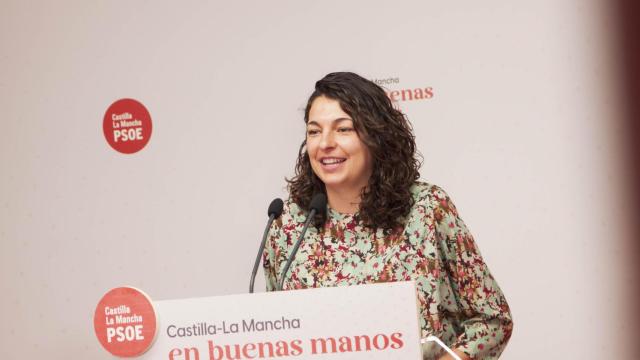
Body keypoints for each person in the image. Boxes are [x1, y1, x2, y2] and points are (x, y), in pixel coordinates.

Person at [262, 72, 513, 359]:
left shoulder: (427, 208)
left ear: (376, 135)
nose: (325, 143)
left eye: (343, 129)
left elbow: (492, 321)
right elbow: (277, 337)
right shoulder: (289, 222)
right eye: (314, 131)